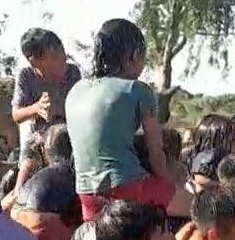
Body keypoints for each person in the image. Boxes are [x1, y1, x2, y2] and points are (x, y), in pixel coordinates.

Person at [64, 19, 172, 222]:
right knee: (197, 206)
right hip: (129, 190)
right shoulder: (137, 89)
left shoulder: (75, 90)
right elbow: (156, 154)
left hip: (86, 195)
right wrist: (169, 185)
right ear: (133, 54)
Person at [11, 28, 82, 147]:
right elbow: (16, 115)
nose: (63, 60)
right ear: (34, 62)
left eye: (63, 53)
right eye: (54, 57)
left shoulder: (72, 72)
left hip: (69, 133)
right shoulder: (26, 76)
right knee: (28, 156)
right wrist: (36, 108)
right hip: (39, 134)